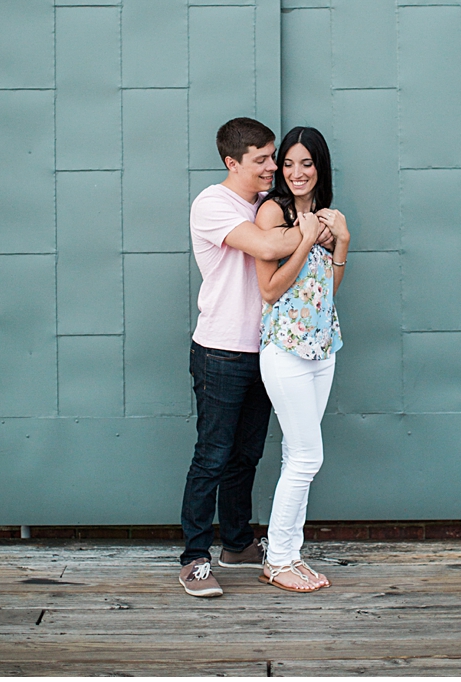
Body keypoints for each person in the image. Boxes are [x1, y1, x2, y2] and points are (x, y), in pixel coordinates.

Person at [179, 117, 334, 598]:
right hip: (222, 349)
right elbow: (267, 246)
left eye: (275, 157)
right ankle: (194, 557)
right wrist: (316, 230)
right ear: (233, 162)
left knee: (246, 455)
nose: (273, 167)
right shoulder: (214, 204)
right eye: (263, 159)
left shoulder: (267, 205)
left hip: (267, 348)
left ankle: (239, 543)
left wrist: (328, 232)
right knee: (213, 454)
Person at [255, 126, 350, 593]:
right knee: (308, 457)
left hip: (320, 349)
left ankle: (291, 553)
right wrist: (303, 238)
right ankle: (277, 558)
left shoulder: (327, 216)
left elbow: (323, 296)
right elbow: (271, 291)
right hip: (284, 351)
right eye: (288, 164)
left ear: (320, 167)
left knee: (297, 454)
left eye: (306, 164)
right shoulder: (274, 212)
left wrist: (341, 244)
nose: (295, 172)